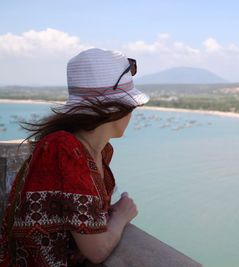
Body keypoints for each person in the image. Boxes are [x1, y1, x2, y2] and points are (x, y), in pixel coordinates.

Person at [0, 48, 150, 266]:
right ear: (116, 109)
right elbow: (97, 250)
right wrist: (122, 215)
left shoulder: (99, 150)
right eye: (132, 107)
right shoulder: (65, 149)